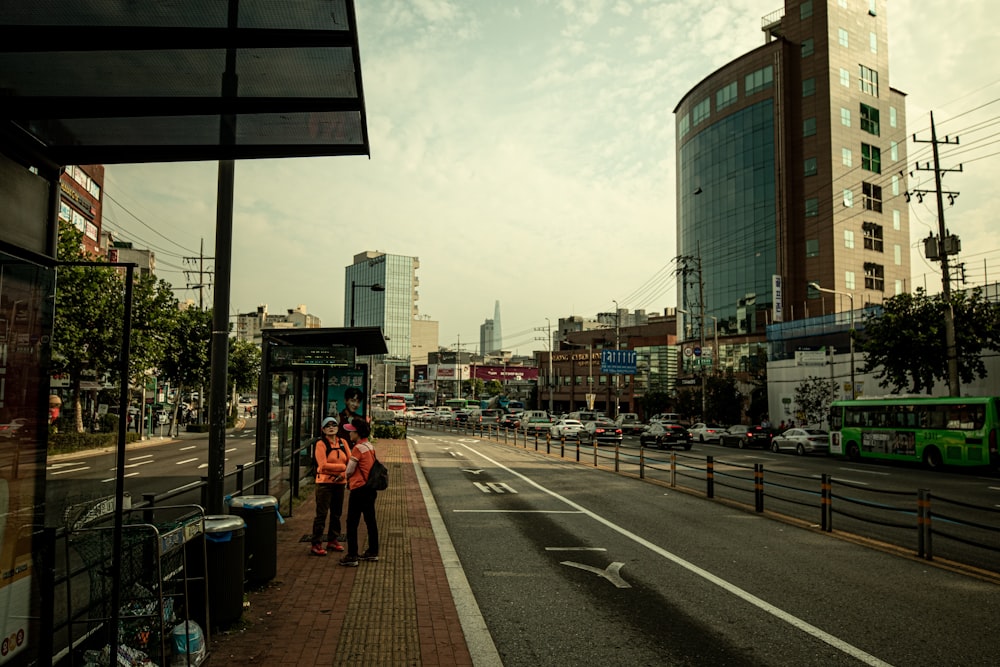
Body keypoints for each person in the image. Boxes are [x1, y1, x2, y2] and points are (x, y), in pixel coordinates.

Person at [340, 418, 379, 567]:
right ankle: (373, 551)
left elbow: (350, 470)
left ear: (358, 432)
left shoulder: (357, 448)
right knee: (370, 520)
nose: (350, 433)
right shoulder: (369, 446)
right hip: (370, 488)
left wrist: (343, 476)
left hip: (359, 489)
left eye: (352, 431)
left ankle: (352, 555)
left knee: (352, 522)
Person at [310, 416, 350, 556]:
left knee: (336, 513)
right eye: (328, 426)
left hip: (340, 483)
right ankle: (316, 543)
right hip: (324, 484)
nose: (331, 427)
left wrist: (344, 474)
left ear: (338, 427)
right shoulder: (321, 444)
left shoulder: (343, 443)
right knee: (321, 514)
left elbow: (351, 463)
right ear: (323, 429)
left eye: (334, 425)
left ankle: (333, 539)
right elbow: (322, 465)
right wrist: (342, 467)